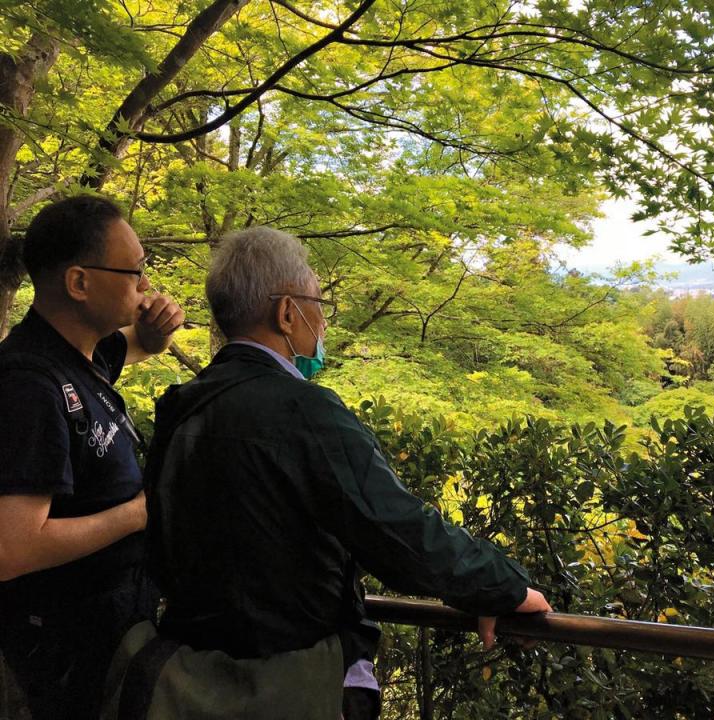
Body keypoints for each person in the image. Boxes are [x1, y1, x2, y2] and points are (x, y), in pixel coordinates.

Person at [120, 226, 550, 719]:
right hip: (291, 681)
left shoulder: (181, 406)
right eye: (317, 304)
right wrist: (504, 585)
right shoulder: (304, 411)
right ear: (286, 313)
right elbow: (395, 529)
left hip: (187, 679)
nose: (321, 322)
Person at [0, 195, 184, 720]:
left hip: (104, 644)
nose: (145, 285)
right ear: (79, 283)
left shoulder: (80, 356)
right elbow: (12, 547)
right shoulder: (29, 384)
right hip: (59, 663)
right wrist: (137, 513)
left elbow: (134, 346)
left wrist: (153, 334)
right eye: (134, 272)